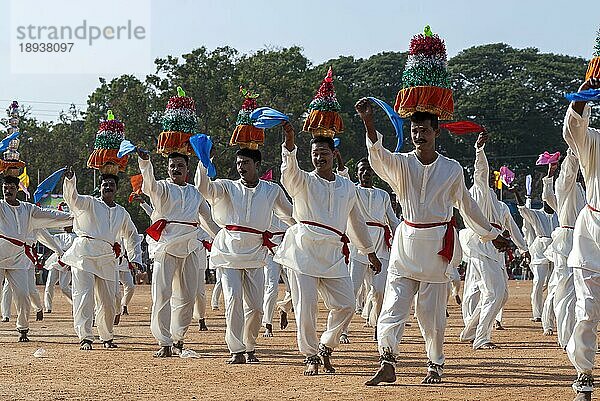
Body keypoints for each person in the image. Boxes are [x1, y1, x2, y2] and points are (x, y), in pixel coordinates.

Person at [354, 98, 509, 385]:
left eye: (424, 130)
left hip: (438, 248)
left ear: (436, 132)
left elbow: (467, 205)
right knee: (392, 307)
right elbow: (378, 155)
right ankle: (387, 360)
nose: (418, 135)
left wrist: (491, 234)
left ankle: (435, 363)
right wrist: (368, 121)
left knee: (431, 315)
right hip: (405, 246)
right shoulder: (401, 164)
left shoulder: (451, 169)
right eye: (414, 130)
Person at [274, 121, 381, 376]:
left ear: (334, 154)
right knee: (306, 307)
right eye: (314, 153)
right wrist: (289, 143)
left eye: (323, 152)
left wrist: (370, 251)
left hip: (333, 252)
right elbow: (289, 172)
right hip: (303, 250)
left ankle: (325, 345)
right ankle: (310, 355)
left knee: (345, 303)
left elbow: (356, 223)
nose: (319, 157)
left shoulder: (347, 187)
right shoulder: (303, 181)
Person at [196, 147, 294, 364]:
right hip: (228, 252)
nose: (241, 167)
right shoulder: (227, 187)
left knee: (257, 307)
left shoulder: (271, 190)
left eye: (246, 163)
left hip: (256, 253)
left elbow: (289, 214)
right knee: (233, 300)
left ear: (256, 165)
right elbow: (204, 188)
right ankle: (236, 349)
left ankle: (250, 346)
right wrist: (203, 163)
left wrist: (306, 230)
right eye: (239, 163)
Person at [137, 150, 218, 357]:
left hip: (190, 246)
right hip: (166, 247)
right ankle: (163, 341)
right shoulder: (162, 188)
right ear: (168, 168)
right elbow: (149, 185)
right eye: (172, 166)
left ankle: (178, 338)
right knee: (162, 294)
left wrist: (223, 239)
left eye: (180, 165)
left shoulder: (195, 193)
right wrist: (145, 163)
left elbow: (208, 221)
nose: (176, 169)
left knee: (188, 296)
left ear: (187, 169)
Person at [459, 132, 529, 349]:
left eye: (493, 174)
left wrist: (524, 247)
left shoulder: (499, 205)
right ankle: (481, 338)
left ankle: (469, 331)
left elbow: (513, 228)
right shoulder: (477, 192)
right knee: (493, 292)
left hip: (496, 249)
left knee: (502, 294)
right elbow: (480, 172)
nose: (490, 176)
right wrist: (479, 151)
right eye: (488, 173)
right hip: (481, 243)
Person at [61, 167, 142, 350]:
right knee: (83, 297)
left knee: (109, 301)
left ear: (116, 189)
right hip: (84, 255)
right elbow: (72, 199)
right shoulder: (89, 203)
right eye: (105, 184)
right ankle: (85, 337)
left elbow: (132, 234)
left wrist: (135, 257)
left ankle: (107, 336)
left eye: (111, 185)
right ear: (100, 188)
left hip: (106, 258)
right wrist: (70, 180)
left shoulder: (121, 212)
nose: (108, 187)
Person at [562, 77, 600, 401]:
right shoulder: (594, 143)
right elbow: (572, 131)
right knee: (587, 311)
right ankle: (584, 378)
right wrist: (581, 97)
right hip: (591, 241)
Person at [0, 174, 71, 341]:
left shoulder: (28, 210)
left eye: (11, 188)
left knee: (24, 294)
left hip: (19, 260)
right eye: (5, 188)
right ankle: (6, 316)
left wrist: (72, 217)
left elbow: (49, 215)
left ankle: (23, 328)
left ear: (17, 190)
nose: (7, 191)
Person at [338, 157, 400, 343]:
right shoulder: (353, 191)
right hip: (358, 249)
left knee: (380, 291)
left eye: (368, 170)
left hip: (381, 249)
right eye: (362, 170)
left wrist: (407, 235)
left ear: (373, 173)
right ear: (357, 173)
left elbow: (393, 221)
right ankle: (343, 330)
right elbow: (344, 179)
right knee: (352, 290)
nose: (365, 173)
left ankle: (376, 326)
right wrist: (341, 163)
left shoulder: (383, 195)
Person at [541, 151, 585, 349]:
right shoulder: (564, 185)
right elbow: (549, 195)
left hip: (584, 241)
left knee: (580, 293)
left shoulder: (583, 190)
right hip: (567, 240)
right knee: (566, 292)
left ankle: (576, 335)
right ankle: (566, 339)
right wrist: (574, 151)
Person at [510, 183, 558, 327]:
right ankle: (537, 314)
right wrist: (516, 193)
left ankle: (551, 313)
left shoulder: (559, 214)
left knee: (553, 283)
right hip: (540, 252)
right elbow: (523, 210)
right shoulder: (537, 214)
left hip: (555, 250)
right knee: (538, 283)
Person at [261, 214, 290, 338]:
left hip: (287, 254)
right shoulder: (265, 210)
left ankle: (284, 307)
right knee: (271, 289)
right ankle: (268, 324)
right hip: (270, 253)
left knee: (295, 290)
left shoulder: (289, 210)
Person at [44, 226, 77, 313]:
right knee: (49, 284)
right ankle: (48, 307)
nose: (65, 227)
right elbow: (49, 240)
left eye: (67, 225)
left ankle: (76, 302)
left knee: (64, 287)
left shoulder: (76, 237)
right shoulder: (58, 235)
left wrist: (72, 263)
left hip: (67, 261)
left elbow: (76, 251)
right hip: (56, 259)